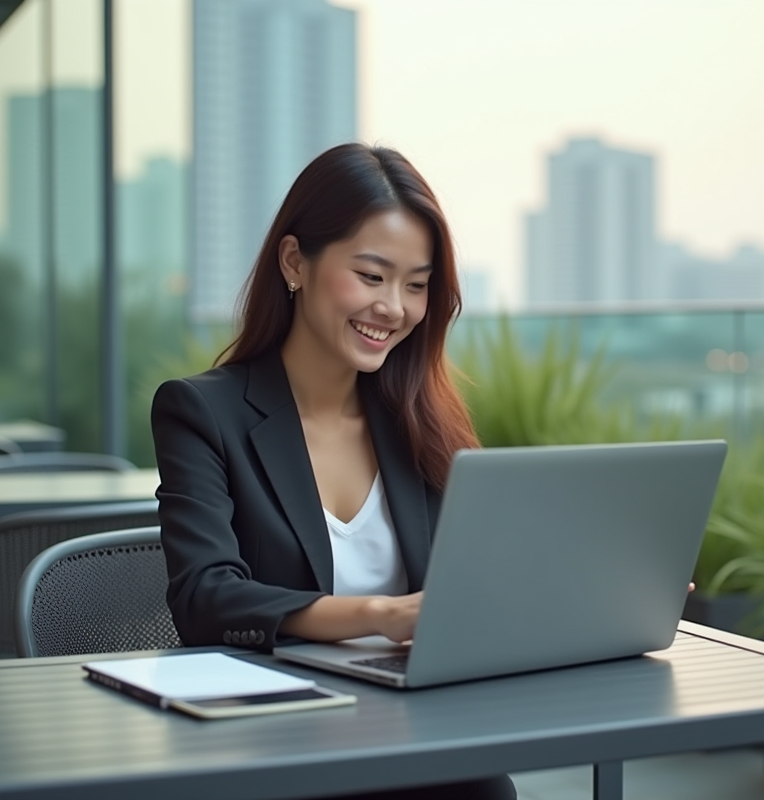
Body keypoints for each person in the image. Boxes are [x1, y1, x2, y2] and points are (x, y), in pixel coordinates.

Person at [150, 143, 516, 800]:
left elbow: (477, 578)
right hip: (274, 738)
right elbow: (204, 598)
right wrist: (379, 614)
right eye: (372, 277)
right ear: (295, 262)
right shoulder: (201, 411)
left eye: (416, 285)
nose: (395, 308)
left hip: (418, 731)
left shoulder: (423, 423)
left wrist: (583, 586)